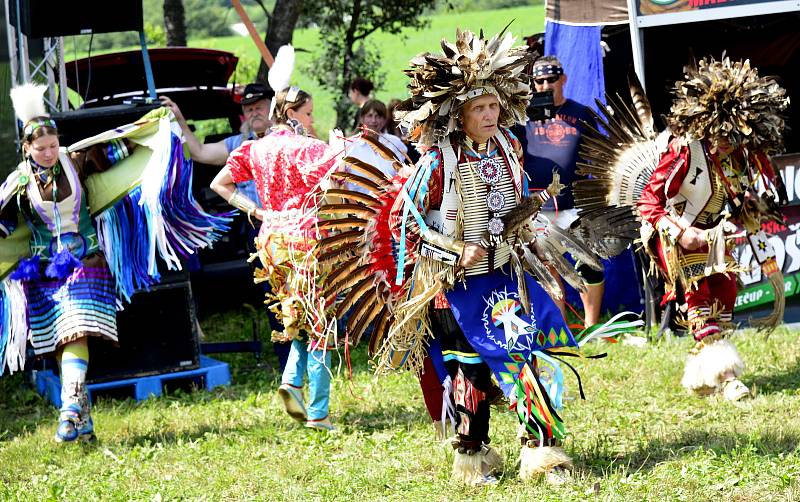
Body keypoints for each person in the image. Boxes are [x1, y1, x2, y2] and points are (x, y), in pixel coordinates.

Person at [0, 84, 228, 443]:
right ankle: (84, 422)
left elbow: (124, 147)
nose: (48, 152)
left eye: (53, 145)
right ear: (26, 148)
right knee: (61, 340)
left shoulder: (76, 160)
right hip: (44, 273)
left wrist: (157, 129)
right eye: (40, 148)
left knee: (77, 328)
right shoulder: (17, 185)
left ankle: (70, 408)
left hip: (86, 263)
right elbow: (5, 226)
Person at [637, 56, 789, 401]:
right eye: (719, 133)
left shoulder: (744, 156)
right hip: (677, 232)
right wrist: (679, 233)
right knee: (699, 300)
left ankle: (700, 374)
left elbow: (736, 194)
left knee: (725, 296)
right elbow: (648, 201)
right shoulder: (685, 151)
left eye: (732, 135)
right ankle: (727, 378)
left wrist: (748, 204)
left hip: (715, 234)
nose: (724, 141)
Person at [210, 46, 340, 431]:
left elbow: (221, 184)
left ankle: (289, 379)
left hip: (270, 240)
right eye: (309, 113)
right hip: (306, 239)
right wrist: (336, 144)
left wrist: (255, 210)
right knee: (319, 322)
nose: (312, 119)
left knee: (295, 317)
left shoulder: (255, 147)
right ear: (292, 113)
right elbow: (340, 175)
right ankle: (318, 412)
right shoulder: (309, 148)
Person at [160, 84, 291, 371]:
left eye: (259, 106)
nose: (253, 112)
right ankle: (288, 365)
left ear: (272, 107)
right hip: (257, 227)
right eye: (248, 108)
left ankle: (315, 353)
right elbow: (199, 152)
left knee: (299, 292)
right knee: (274, 296)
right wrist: (179, 118)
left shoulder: (289, 137)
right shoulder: (238, 145)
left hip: (292, 224)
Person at [513, 56, 605, 326]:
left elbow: (598, 154)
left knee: (589, 262)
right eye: (539, 81)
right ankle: (560, 327)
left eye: (551, 80)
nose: (545, 86)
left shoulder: (581, 112)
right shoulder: (522, 117)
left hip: (574, 203)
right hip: (538, 207)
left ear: (562, 79)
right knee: (547, 267)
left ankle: (592, 326)